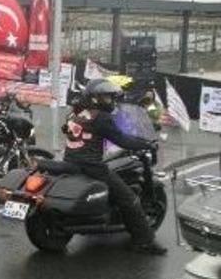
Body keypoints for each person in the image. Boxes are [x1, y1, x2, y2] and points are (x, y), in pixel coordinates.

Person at [63, 78, 166, 255]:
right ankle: (144, 242)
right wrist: (146, 144)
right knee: (129, 199)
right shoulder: (101, 117)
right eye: (108, 97)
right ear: (96, 98)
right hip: (92, 166)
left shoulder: (78, 114)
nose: (111, 101)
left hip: (71, 160)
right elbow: (122, 140)